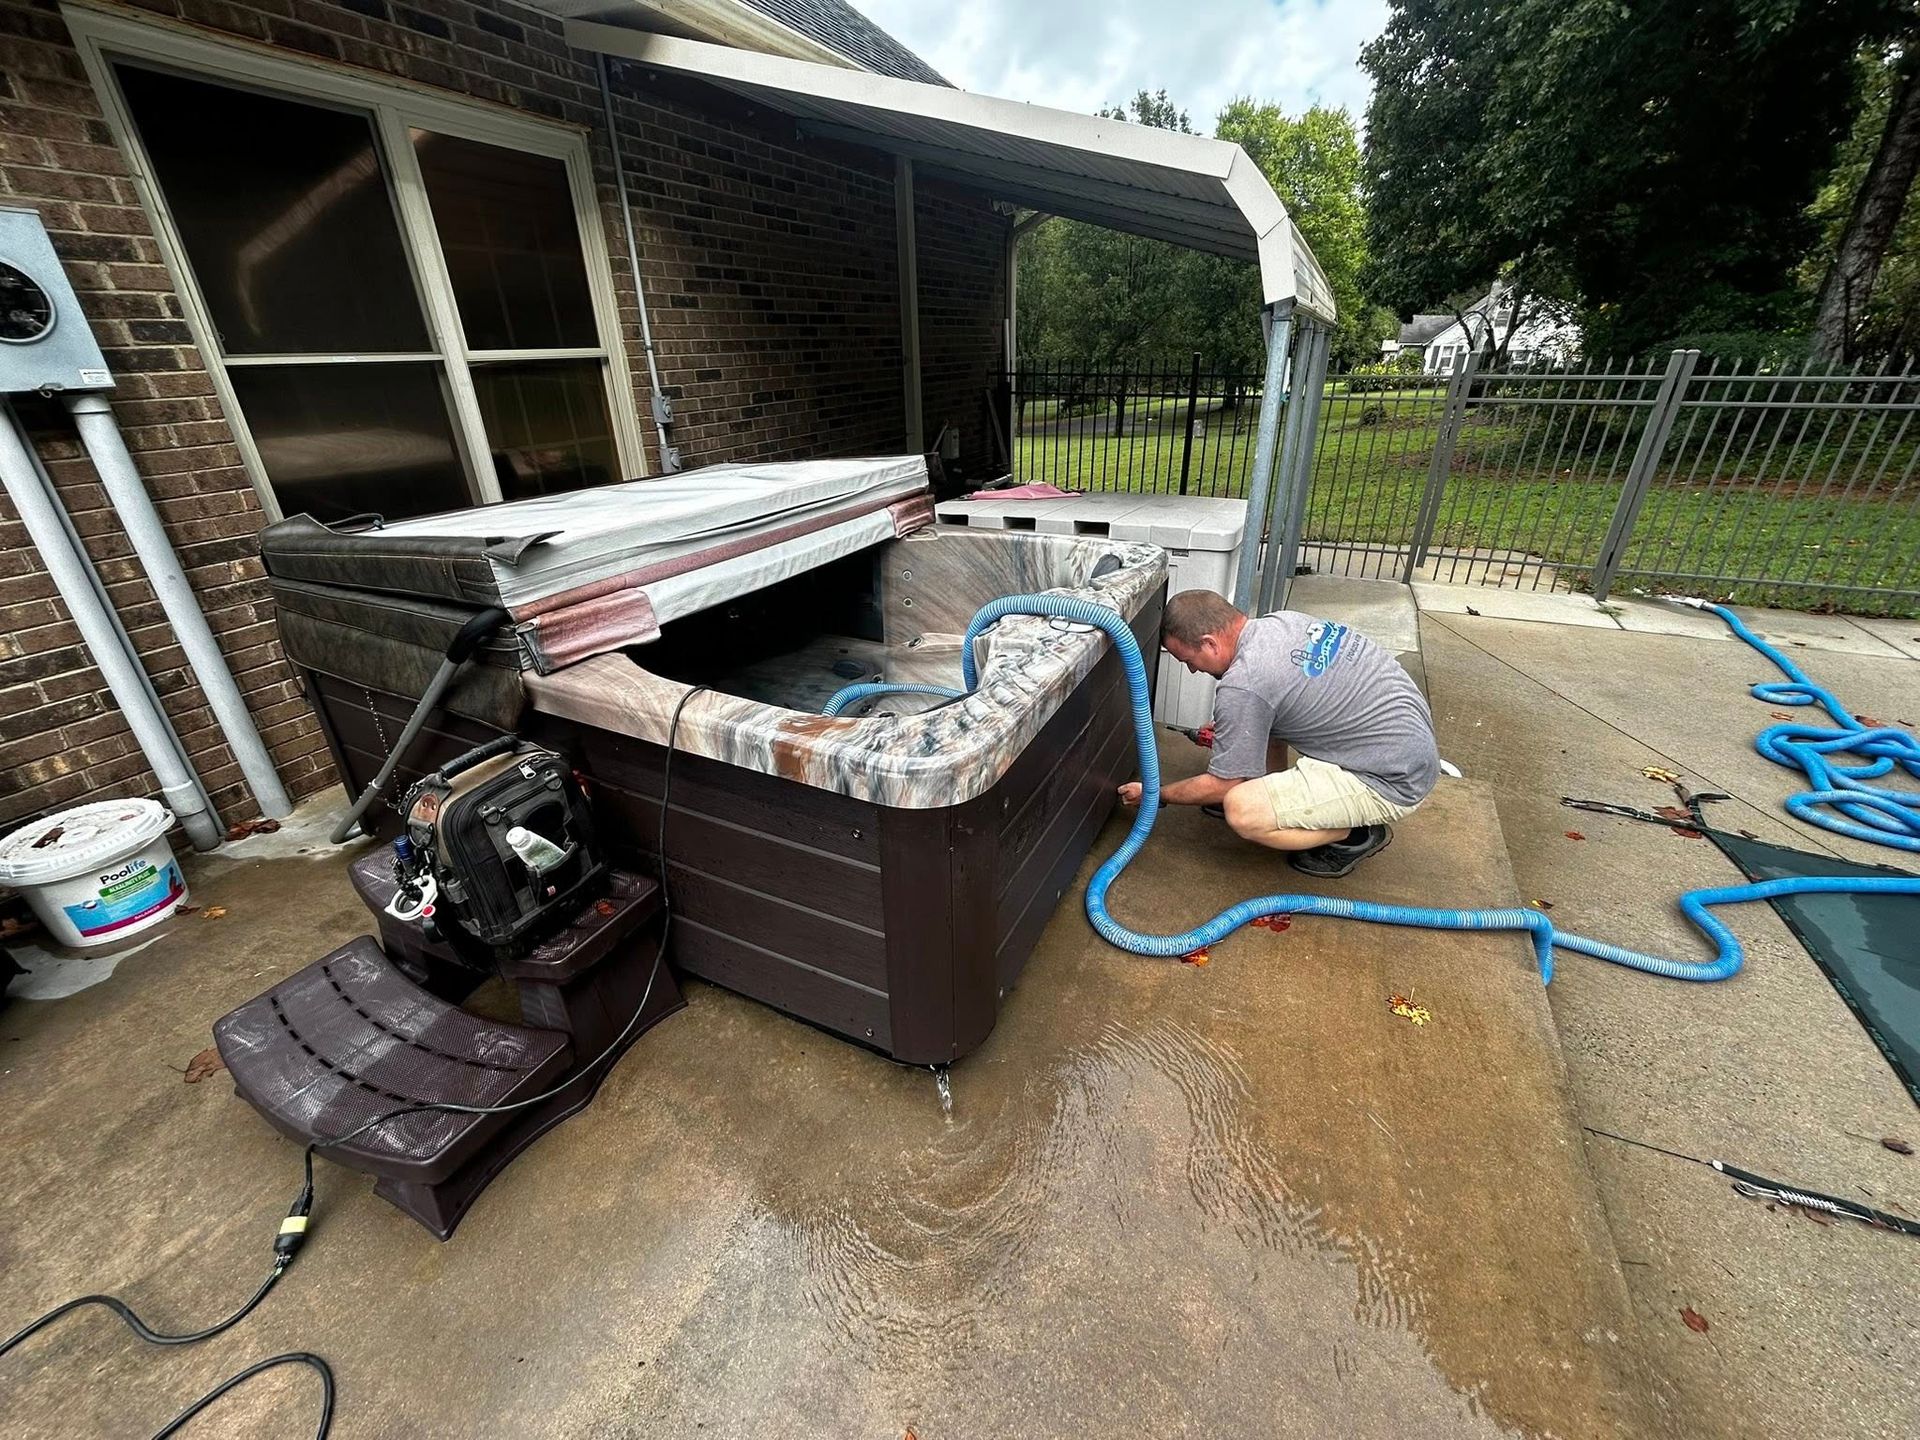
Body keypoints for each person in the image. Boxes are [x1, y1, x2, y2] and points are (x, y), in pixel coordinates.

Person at [1118, 589, 1438, 877]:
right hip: (1405, 744)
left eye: (1188, 659)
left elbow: (1225, 783)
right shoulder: (1281, 624)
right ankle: (1279, 793)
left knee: (1241, 809)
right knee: (1256, 736)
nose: (1192, 669)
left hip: (1390, 779)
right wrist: (1240, 728)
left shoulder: (1245, 683)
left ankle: (1353, 832)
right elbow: (1282, 696)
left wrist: (1155, 793)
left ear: (1209, 643)